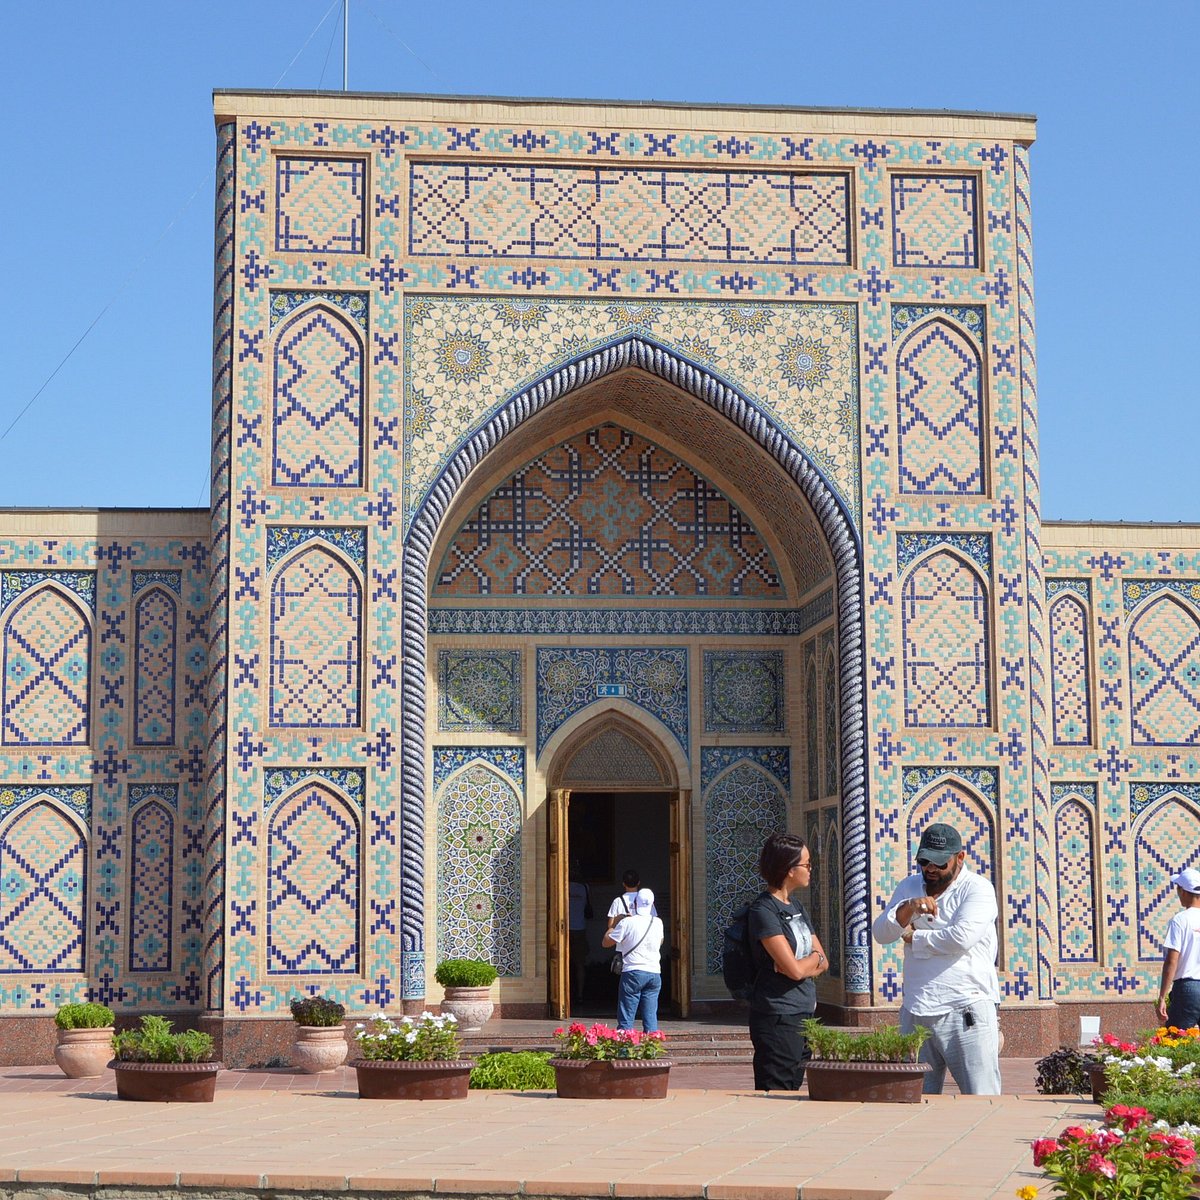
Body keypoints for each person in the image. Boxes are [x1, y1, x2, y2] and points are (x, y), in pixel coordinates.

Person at [871, 822, 1002, 1095]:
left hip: (965, 1008)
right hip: (917, 1009)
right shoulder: (909, 887)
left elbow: (961, 938)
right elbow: (881, 933)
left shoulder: (977, 889)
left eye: (940, 863)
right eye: (924, 861)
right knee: (912, 1100)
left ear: (960, 857)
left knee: (981, 1096)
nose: (930, 869)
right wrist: (907, 910)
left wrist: (914, 938)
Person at [746, 831, 828, 1091]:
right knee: (776, 1092)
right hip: (778, 1018)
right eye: (806, 864)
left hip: (804, 1013)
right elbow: (793, 970)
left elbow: (823, 960)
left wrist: (808, 961)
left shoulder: (796, 907)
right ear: (789, 869)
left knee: (792, 1090)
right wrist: (807, 963)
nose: (810, 869)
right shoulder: (764, 911)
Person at [603, 886, 664, 1031]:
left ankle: (624, 1050)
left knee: (626, 1018)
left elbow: (606, 942)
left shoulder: (627, 922)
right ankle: (651, 1049)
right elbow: (660, 942)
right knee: (650, 1017)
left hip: (633, 973)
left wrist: (615, 923)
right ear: (652, 904)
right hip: (654, 972)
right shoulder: (658, 923)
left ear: (635, 904)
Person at [1158, 866, 1200, 1030]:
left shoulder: (1180, 920)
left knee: (1179, 1038)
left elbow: (1172, 960)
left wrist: (1162, 996)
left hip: (1187, 988)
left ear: (1183, 892)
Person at [568, 862, 593, 1005]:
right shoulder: (584, 887)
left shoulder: (563, 885)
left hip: (563, 930)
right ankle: (580, 994)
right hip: (580, 928)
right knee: (580, 964)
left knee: (562, 964)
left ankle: (565, 994)